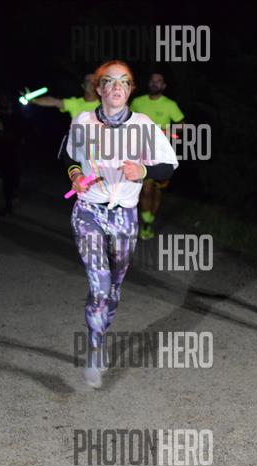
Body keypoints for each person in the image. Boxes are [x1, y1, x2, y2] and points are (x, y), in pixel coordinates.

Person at [64, 60, 178, 388]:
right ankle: (95, 349)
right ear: (98, 88)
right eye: (110, 81)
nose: (117, 87)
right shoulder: (83, 122)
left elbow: (169, 166)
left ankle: (101, 331)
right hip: (88, 211)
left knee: (113, 289)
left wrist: (143, 171)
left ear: (130, 90)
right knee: (99, 285)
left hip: (125, 214)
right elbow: (70, 157)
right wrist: (76, 176)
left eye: (124, 82)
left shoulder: (143, 126)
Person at [129, 73, 185, 239]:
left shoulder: (170, 105)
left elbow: (183, 125)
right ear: (149, 83)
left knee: (157, 193)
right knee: (146, 190)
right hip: (141, 152)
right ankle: (145, 225)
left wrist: (166, 131)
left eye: (158, 81)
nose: (155, 83)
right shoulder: (137, 102)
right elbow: (127, 121)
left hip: (162, 155)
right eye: (152, 81)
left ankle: (150, 221)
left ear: (163, 86)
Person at [31, 73, 100, 118]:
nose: (92, 83)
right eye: (88, 81)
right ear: (83, 86)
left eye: (94, 81)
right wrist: (33, 100)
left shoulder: (103, 104)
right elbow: (53, 101)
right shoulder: (75, 103)